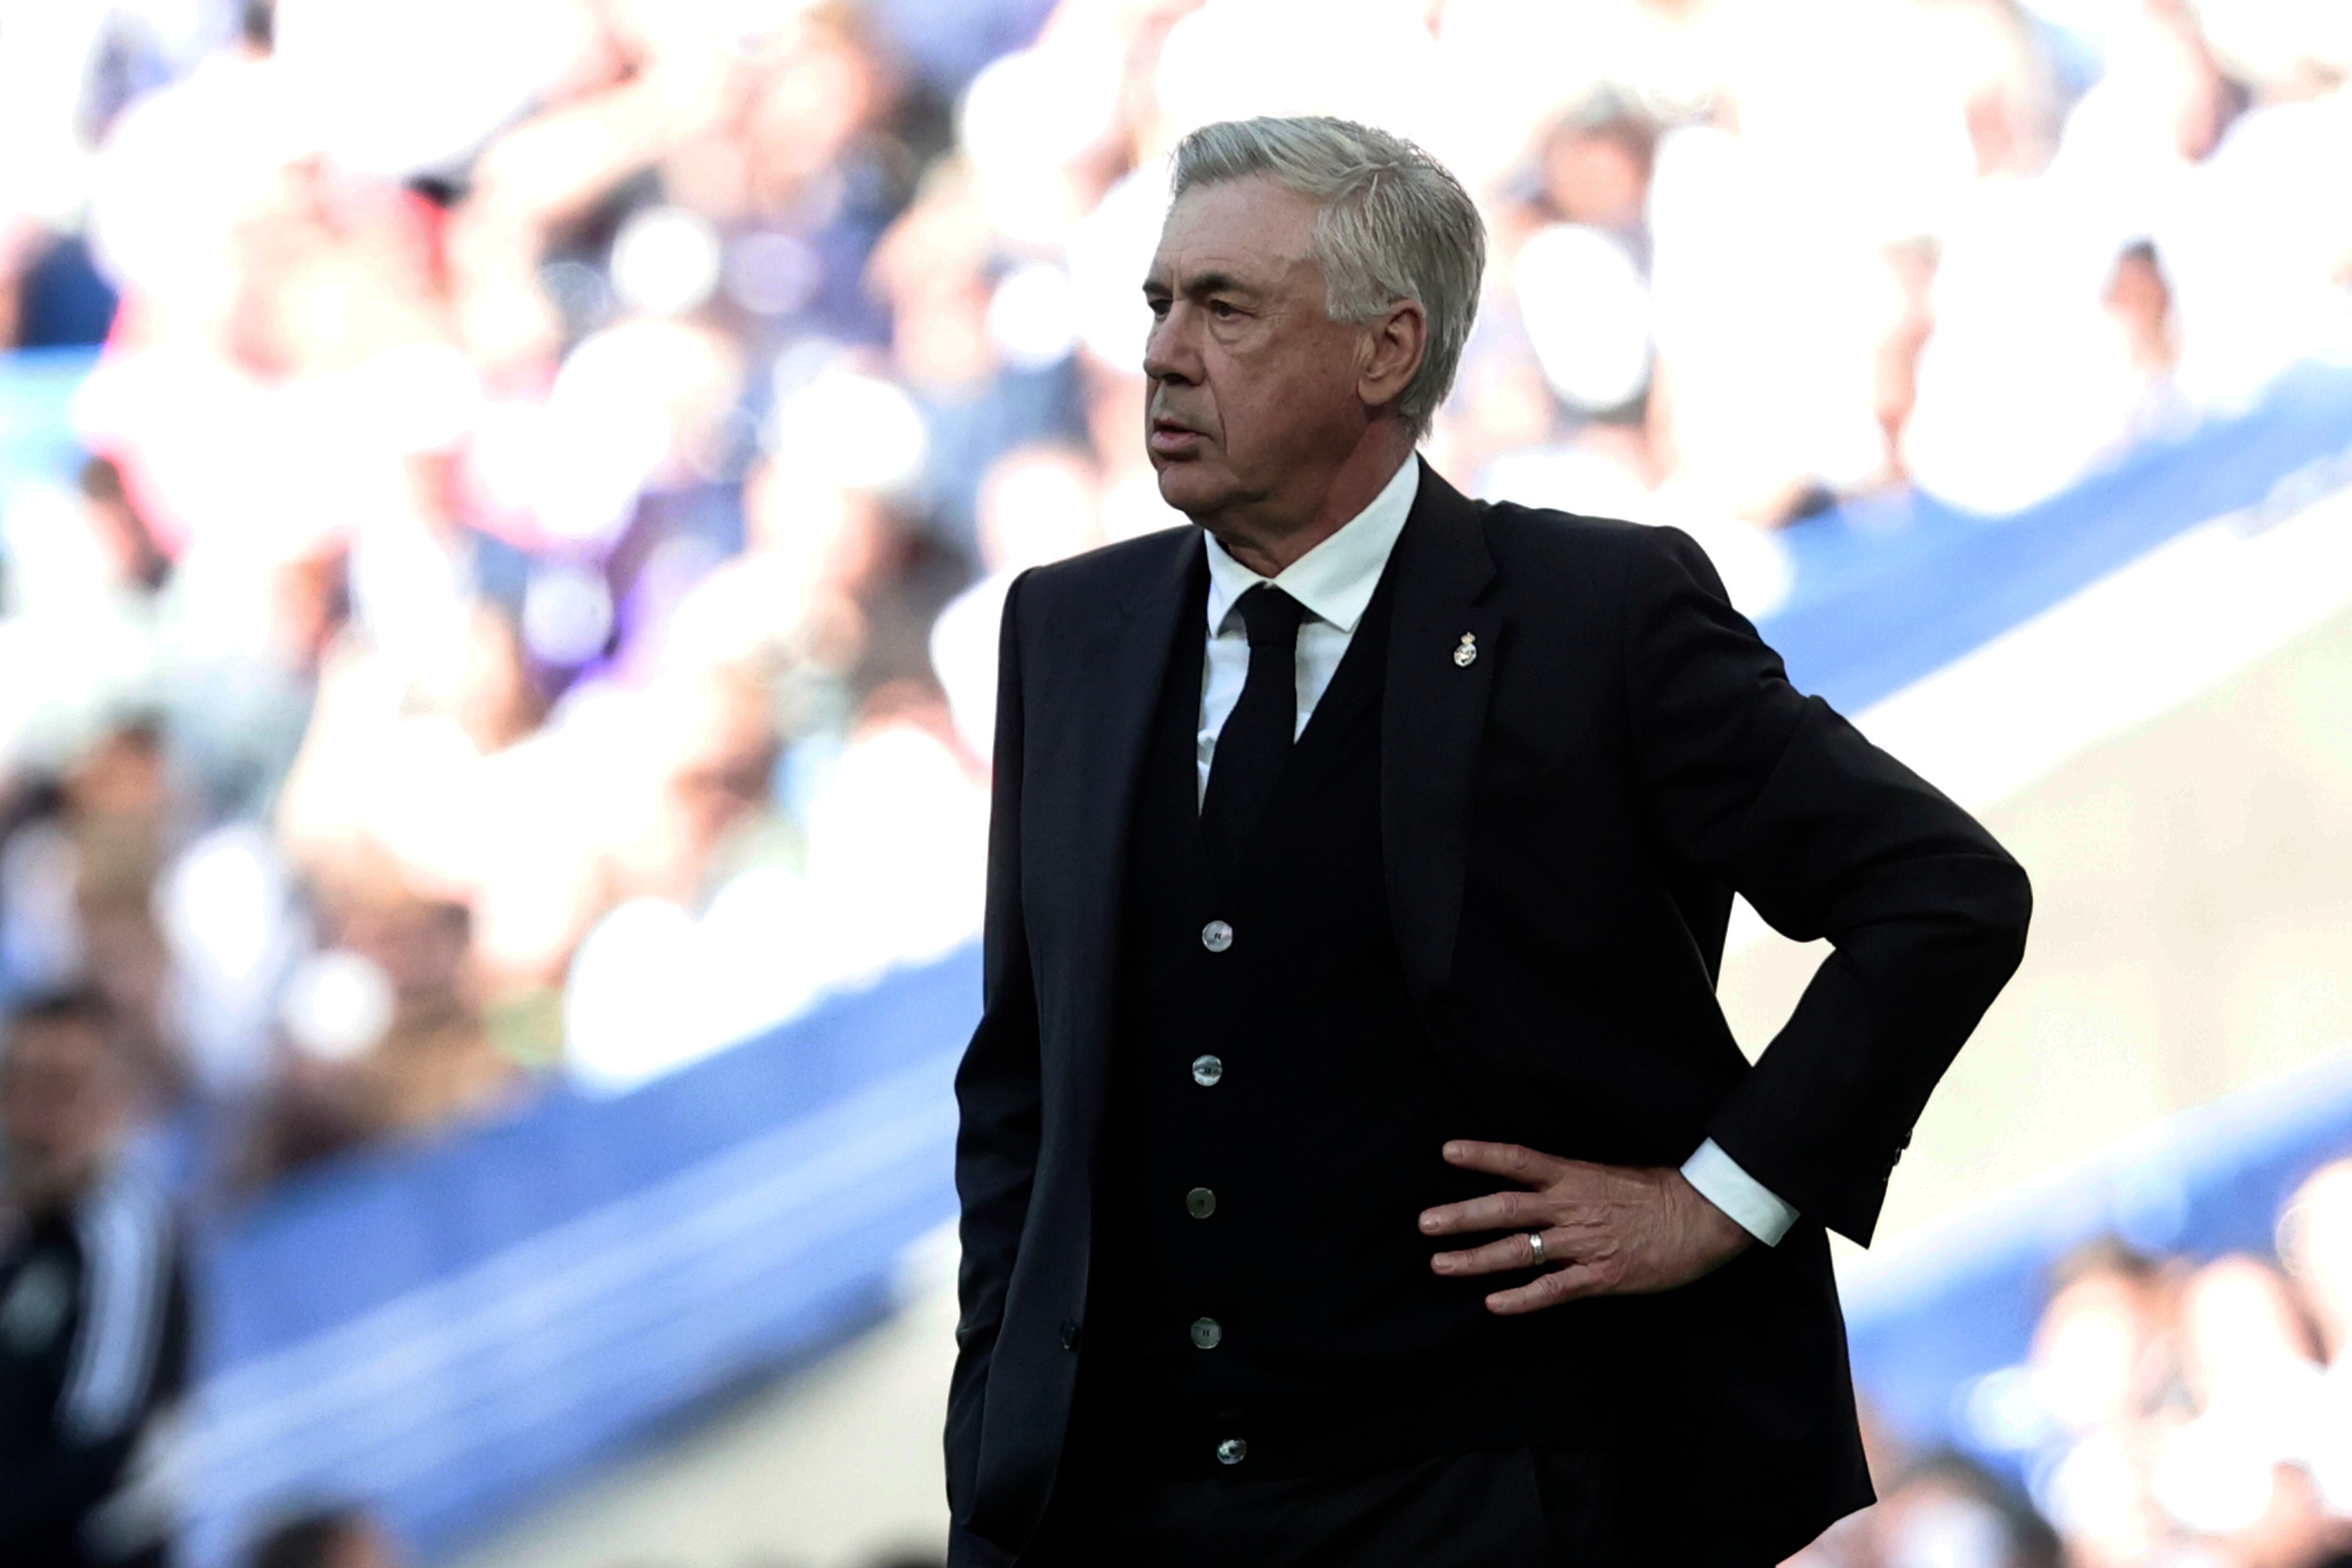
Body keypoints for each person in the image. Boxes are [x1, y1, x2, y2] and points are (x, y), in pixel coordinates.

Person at [946, 116, 2031, 1566]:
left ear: (1384, 351)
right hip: (1129, 1509)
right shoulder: (1063, 631)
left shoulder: (1599, 615)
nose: (1160, 353)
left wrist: (1717, 1197)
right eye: (1157, 303)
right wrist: (993, 1456)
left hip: (1492, 1496)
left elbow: (1942, 895)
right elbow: (1021, 1084)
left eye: (1224, 308)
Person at [0, 989, 190, 1567]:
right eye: (20, 1082)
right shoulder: (29, 1228)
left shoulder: (120, 1227)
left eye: (65, 1087)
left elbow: (101, 1436)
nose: (41, 1112)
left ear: (114, 1101)